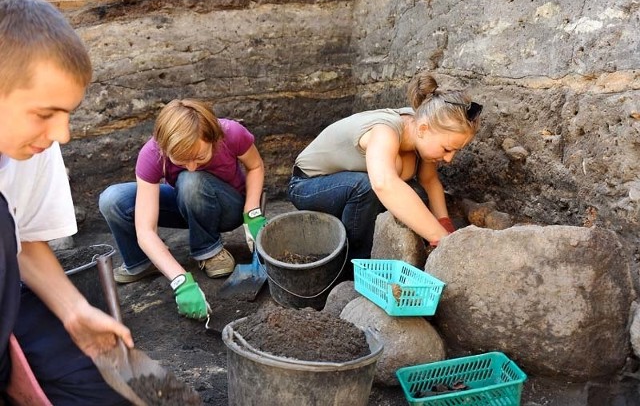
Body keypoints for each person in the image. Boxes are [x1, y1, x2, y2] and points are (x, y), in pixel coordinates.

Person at [0, 0, 133, 405]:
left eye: (68, 114)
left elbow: (23, 239)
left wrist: (73, 309)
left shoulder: (33, 147)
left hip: (10, 301)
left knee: (113, 391)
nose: (62, 135)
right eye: (44, 114)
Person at [288, 70, 482, 263]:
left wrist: (445, 226)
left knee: (418, 194)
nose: (449, 159)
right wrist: (441, 239)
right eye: (447, 149)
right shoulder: (385, 131)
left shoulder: (423, 128)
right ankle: (354, 263)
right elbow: (383, 184)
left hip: (349, 188)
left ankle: (411, 254)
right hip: (307, 185)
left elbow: (429, 181)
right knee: (365, 186)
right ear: (423, 129)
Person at [99, 98, 267, 320]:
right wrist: (180, 281)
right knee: (113, 199)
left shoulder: (230, 132)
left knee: (191, 180)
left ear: (213, 138)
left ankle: (208, 250)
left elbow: (255, 166)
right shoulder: (152, 153)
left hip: (228, 207)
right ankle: (142, 262)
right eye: (180, 160)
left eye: (200, 157)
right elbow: (145, 229)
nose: (192, 165)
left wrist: (252, 211)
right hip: (186, 202)